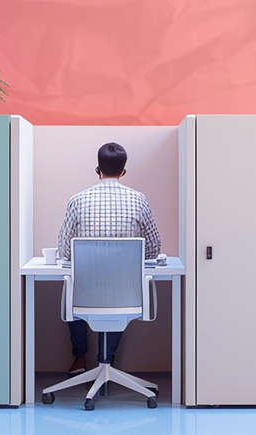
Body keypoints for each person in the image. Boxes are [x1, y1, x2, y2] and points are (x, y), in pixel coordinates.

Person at [58, 142, 161, 375]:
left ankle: (80, 357)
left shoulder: (77, 200)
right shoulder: (139, 200)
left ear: (97, 170)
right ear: (123, 171)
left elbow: (65, 250)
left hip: (84, 293)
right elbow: (154, 248)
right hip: (125, 294)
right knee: (119, 293)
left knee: (74, 284)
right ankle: (108, 362)